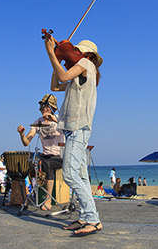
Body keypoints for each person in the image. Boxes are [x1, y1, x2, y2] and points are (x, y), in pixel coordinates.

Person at [45, 36, 103, 235]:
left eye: (77, 51)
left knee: (69, 174)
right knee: (81, 177)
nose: (74, 54)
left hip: (78, 128)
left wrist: (52, 53)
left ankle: (93, 219)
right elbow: (56, 85)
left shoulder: (87, 64)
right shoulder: (80, 73)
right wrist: (58, 60)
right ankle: (86, 217)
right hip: (74, 129)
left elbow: (63, 77)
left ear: (86, 54)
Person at [17, 94, 65, 211]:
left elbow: (69, 131)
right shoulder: (38, 121)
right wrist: (22, 134)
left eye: (46, 107)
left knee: (48, 164)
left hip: (59, 155)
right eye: (43, 107)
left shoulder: (60, 119)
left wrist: (54, 120)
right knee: (31, 163)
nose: (44, 109)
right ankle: (30, 195)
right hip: (45, 155)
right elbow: (26, 142)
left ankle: (48, 200)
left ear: (52, 108)